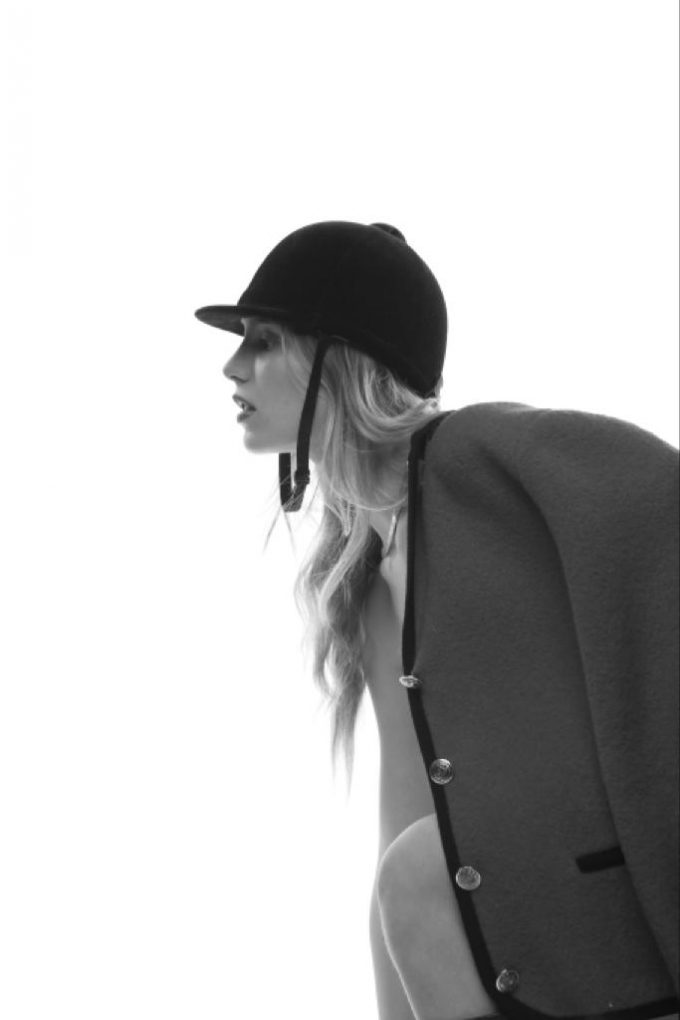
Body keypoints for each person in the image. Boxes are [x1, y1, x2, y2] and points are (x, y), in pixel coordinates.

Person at [195, 221, 679, 1020]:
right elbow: (413, 814)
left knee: (419, 872)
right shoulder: (361, 580)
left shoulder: (488, 455)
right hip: (521, 945)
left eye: (265, 339)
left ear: (340, 359)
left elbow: (657, 505)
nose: (232, 364)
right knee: (415, 871)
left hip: (621, 922)